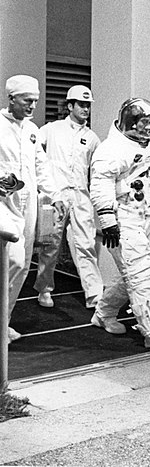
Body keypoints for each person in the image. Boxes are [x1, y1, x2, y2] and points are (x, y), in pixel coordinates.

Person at [90, 97, 150, 348]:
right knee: (141, 274)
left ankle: (103, 314)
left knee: (137, 271)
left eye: (149, 123)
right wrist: (108, 220)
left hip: (148, 218)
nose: (146, 128)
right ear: (129, 122)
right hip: (123, 219)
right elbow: (100, 185)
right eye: (141, 122)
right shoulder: (111, 150)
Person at [1, 75, 65, 343]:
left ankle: (4, 322)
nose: (32, 107)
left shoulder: (32, 131)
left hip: (28, 203)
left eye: (36, 101)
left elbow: (41, 166)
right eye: (28, 101)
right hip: (3, 201)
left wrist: (55, 195)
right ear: (12, 98)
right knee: (11, 260)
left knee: (24, 264)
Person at [33, 85, 104, 309]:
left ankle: (94, 296)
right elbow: (33, 150)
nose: (85, 109)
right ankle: (44, 289)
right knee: (51, 244)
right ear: (70, 105)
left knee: (86, 245)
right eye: (81, 105)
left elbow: (97, 170)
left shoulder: (92, 138)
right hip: (56, 195)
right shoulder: (51, 129)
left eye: (88, 105)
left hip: (81, 196)